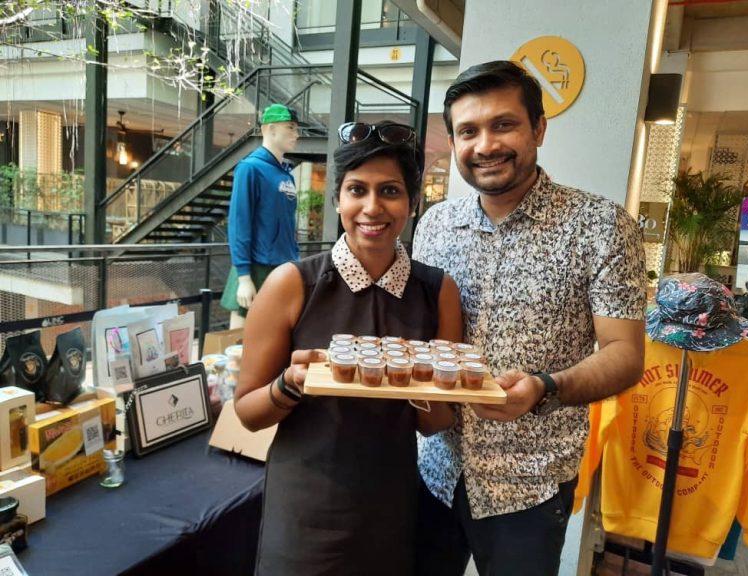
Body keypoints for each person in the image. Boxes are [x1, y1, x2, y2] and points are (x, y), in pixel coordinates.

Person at [413, 60, 647, 576]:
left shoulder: (601, 226)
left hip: (530, 484)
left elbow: (626, 355)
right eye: (468, 131)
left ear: (538, 128)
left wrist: (545, 387)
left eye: (504, 125)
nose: (485, 145)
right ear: (452, 143)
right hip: (436, 469)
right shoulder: (434, 224)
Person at [234, 121, 463, 576]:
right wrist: (290, 383)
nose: (372, 207)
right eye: (357, 189)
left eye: (390, 191)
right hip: (304, 509)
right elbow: (248, 413)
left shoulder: (437, 291)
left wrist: (416, 381)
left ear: (412, 203)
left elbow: (438, 422)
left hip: (391, 508)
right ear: (338, 198)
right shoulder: (292, 284)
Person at [221, 103, 301, 329]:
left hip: (285, 266)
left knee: (277, 336)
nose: (296, 134)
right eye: (291, 127)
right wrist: (244, 277)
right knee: (240, 338)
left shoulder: (286, 175)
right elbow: (239, 224)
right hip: (256, 267)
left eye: (296, 129)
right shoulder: (250, 168)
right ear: (271, 129)